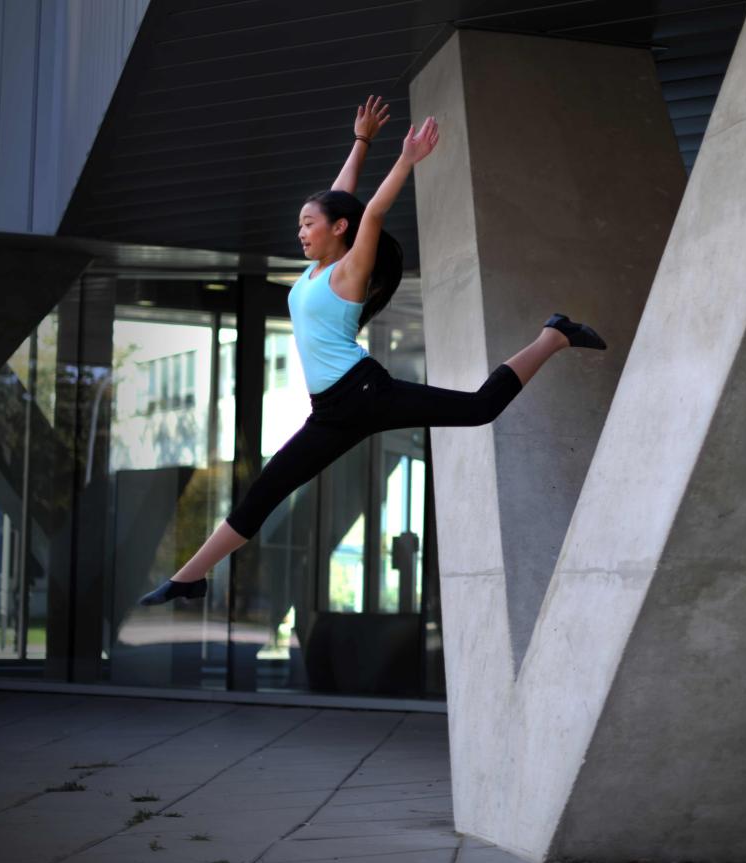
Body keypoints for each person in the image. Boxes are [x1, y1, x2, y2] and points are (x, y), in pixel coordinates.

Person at [139, 95, 605, 606]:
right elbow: (343, 196)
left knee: (479, 408)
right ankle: (190, 578)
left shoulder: (348, 270)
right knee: (264, 493)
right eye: (300, 224)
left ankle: (553, 335)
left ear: (338, 230)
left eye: (308, 224)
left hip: (364, 393)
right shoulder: (316, 270)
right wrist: (361, 141)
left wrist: (405, 158)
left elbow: (370, 211)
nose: (301, 231)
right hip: (330, 412)